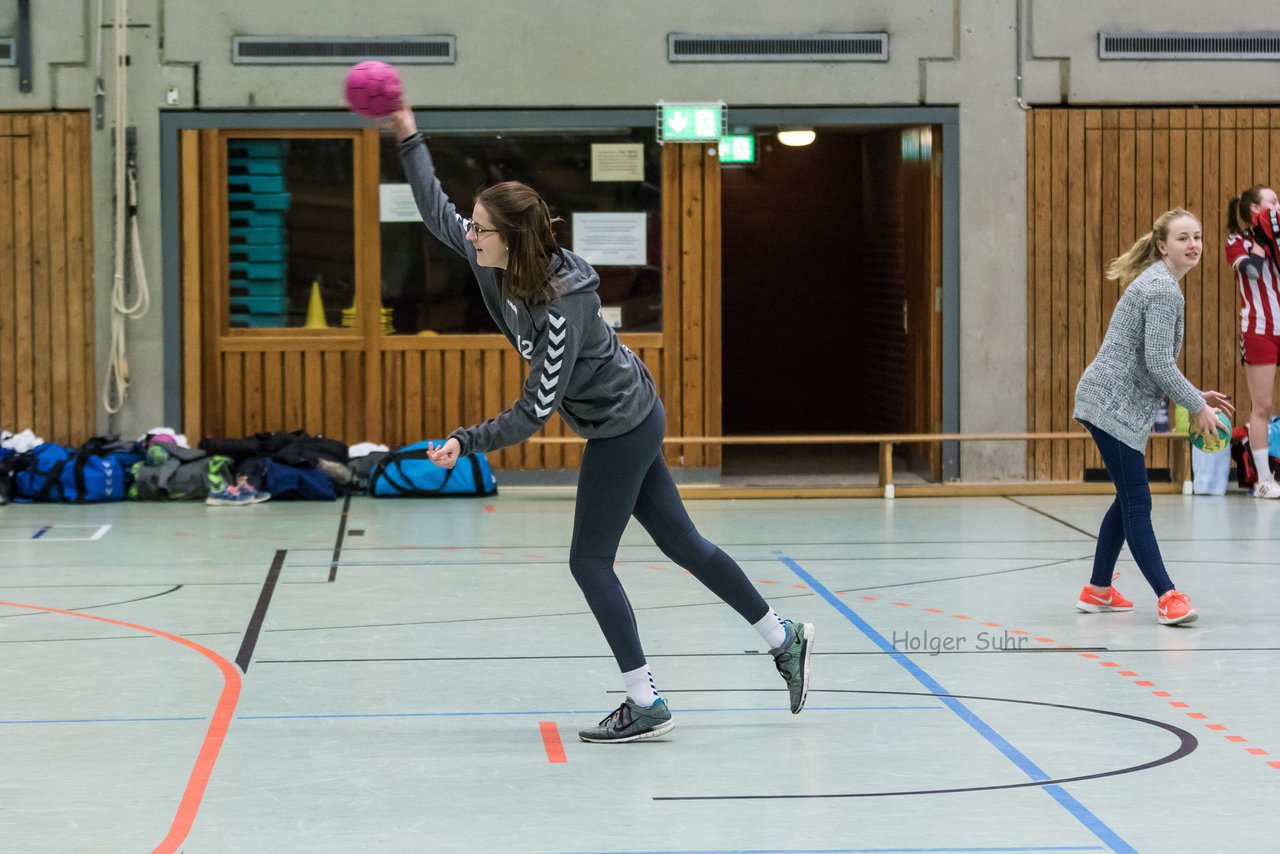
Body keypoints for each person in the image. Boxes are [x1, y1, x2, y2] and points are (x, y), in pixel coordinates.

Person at [381, 101, 814, 742]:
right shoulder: (490, 259)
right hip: (626, 414)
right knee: (682, 544)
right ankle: (784, 635)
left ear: (512, 239)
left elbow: (534, 411)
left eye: (480, 230)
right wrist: (408, 135)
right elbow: (433, 207)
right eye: (471, 228)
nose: (468, 237)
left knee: (590, 561)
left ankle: (644, 699)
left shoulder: (560, 308)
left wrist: (464, 440)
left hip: (623, 424)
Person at [1073, 208, 1233, 626]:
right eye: (1183, 238)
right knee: (1138, 502)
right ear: (1163, 245)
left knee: (1126, 500)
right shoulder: (1163, 289)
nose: (1194, 244)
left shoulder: (1161, 284)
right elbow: (1160, 363)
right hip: (1111, 405)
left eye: (1197, 236)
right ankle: (1168, 596)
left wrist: (1195, 394)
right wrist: (1196, 406)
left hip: (1113, 403)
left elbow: (1153, 362)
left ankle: (1098, 590)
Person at [1227, 185, 1280, 498]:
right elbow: (1253, 272)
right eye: (1272, 202)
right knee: (1263, 405)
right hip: (1259, 328)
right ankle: (1263, 479)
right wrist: (1261, 238)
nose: (1278, 206)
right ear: (1254, 211)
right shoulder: (1237, 241)